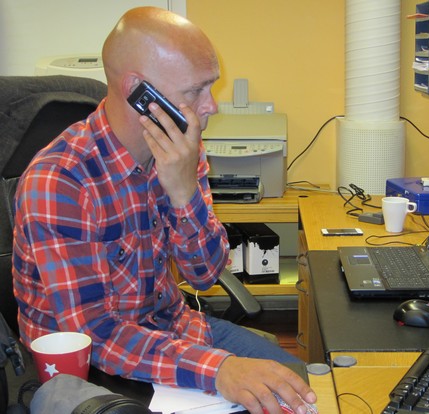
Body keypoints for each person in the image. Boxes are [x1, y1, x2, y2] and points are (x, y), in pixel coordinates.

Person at [12, 7, 316, 414]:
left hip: (173, 328)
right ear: (139, 92)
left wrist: (184, 192)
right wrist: (219, 369)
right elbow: (95, 335)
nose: (211, 107)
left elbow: (205, 273)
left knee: (305, 391)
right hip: (86, 370)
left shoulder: (182, 151)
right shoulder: (60, 181)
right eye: (195, 91)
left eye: (211, 87)